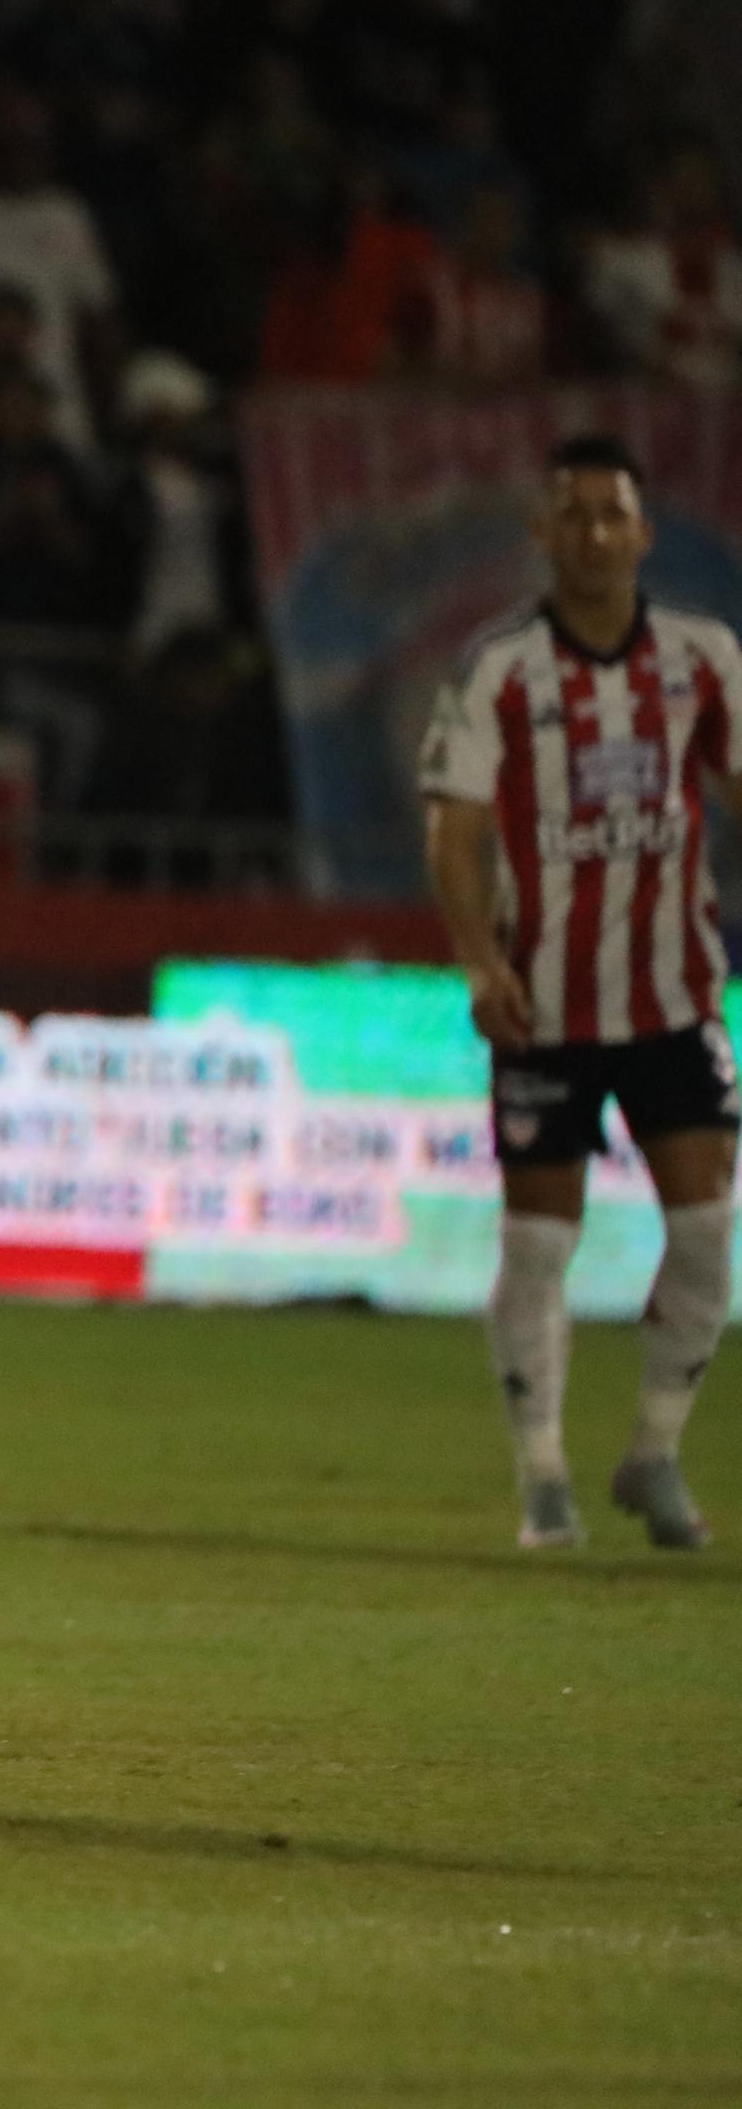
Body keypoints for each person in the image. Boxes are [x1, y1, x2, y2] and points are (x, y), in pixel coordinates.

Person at [418, 434, 728, 1551]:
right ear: (542, 536)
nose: (596, 533)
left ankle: (653, 1450)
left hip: (674, 996)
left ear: (644, 533)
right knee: (542, 1244)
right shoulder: (499, 670)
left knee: (707, 1228)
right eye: (574, 515)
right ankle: (542, 1476)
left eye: (614, 514)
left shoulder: (705, 661)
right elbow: (452, 824)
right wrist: (476, 957)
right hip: (543, 1001)